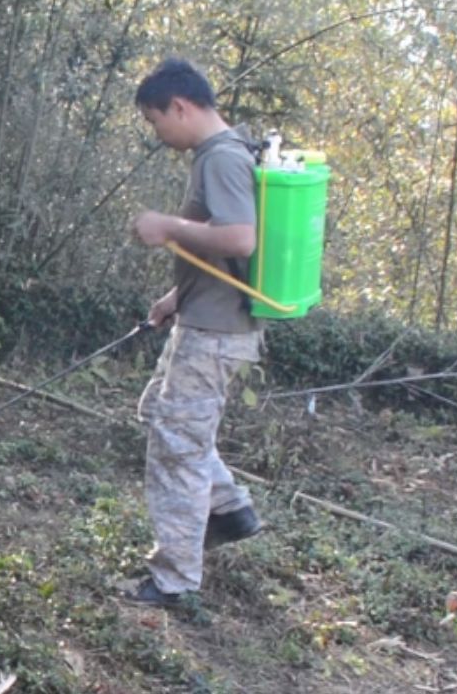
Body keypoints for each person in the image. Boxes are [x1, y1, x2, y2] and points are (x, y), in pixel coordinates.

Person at [126, 58, 263, 615]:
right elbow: (216, 252)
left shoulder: (223, 158)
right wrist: (175, 297)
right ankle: (230, 509)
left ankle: (175, 578)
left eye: (156, 121)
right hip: (202, 317)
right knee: (159, 412)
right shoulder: (222, 154)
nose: (159, 134)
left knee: (176, 450)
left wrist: (166, 226)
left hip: (214, 333)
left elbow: (239, 240)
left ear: (180, 106)